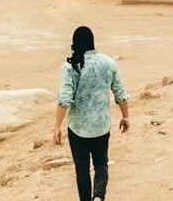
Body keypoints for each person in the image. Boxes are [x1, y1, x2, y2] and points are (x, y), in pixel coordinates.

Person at [52, 26, 129, 201]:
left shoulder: (69, 67)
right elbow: (121, 94)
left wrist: (57, 126)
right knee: (101, 164)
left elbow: (64, 99)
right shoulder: (109, 63)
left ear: (74, 44)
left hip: (78, 128)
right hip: (102, 126)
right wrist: (126, 116)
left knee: (82, 171)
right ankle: (99, 196)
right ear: (93, 42)